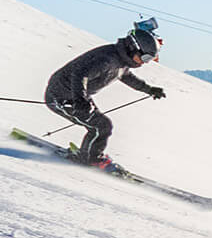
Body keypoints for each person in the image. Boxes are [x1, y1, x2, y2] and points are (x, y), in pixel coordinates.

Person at [45, 20, 165, 166]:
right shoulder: (107, 60)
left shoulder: (120, 60)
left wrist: (149, 89)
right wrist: (80, 100)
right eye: (146, 57)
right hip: (61, 96)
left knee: (101, 126)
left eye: (150, 59)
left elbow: (126, 76)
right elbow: (79, 75)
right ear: (134, 47)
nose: (145, 62)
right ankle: (91, 159)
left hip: (76, 96)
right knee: (101, 126)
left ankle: (89, 156)